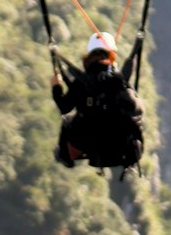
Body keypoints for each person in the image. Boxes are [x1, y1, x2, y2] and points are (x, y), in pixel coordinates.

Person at [52, 31, 145, 175]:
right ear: (111, 56)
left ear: (89, 57)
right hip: (120, 146)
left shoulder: (81, 83)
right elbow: (136, 109)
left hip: (90, 145)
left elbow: (64, 107)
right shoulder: (119, 82)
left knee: (68, 121)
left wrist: (56, 87)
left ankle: (66, 157)